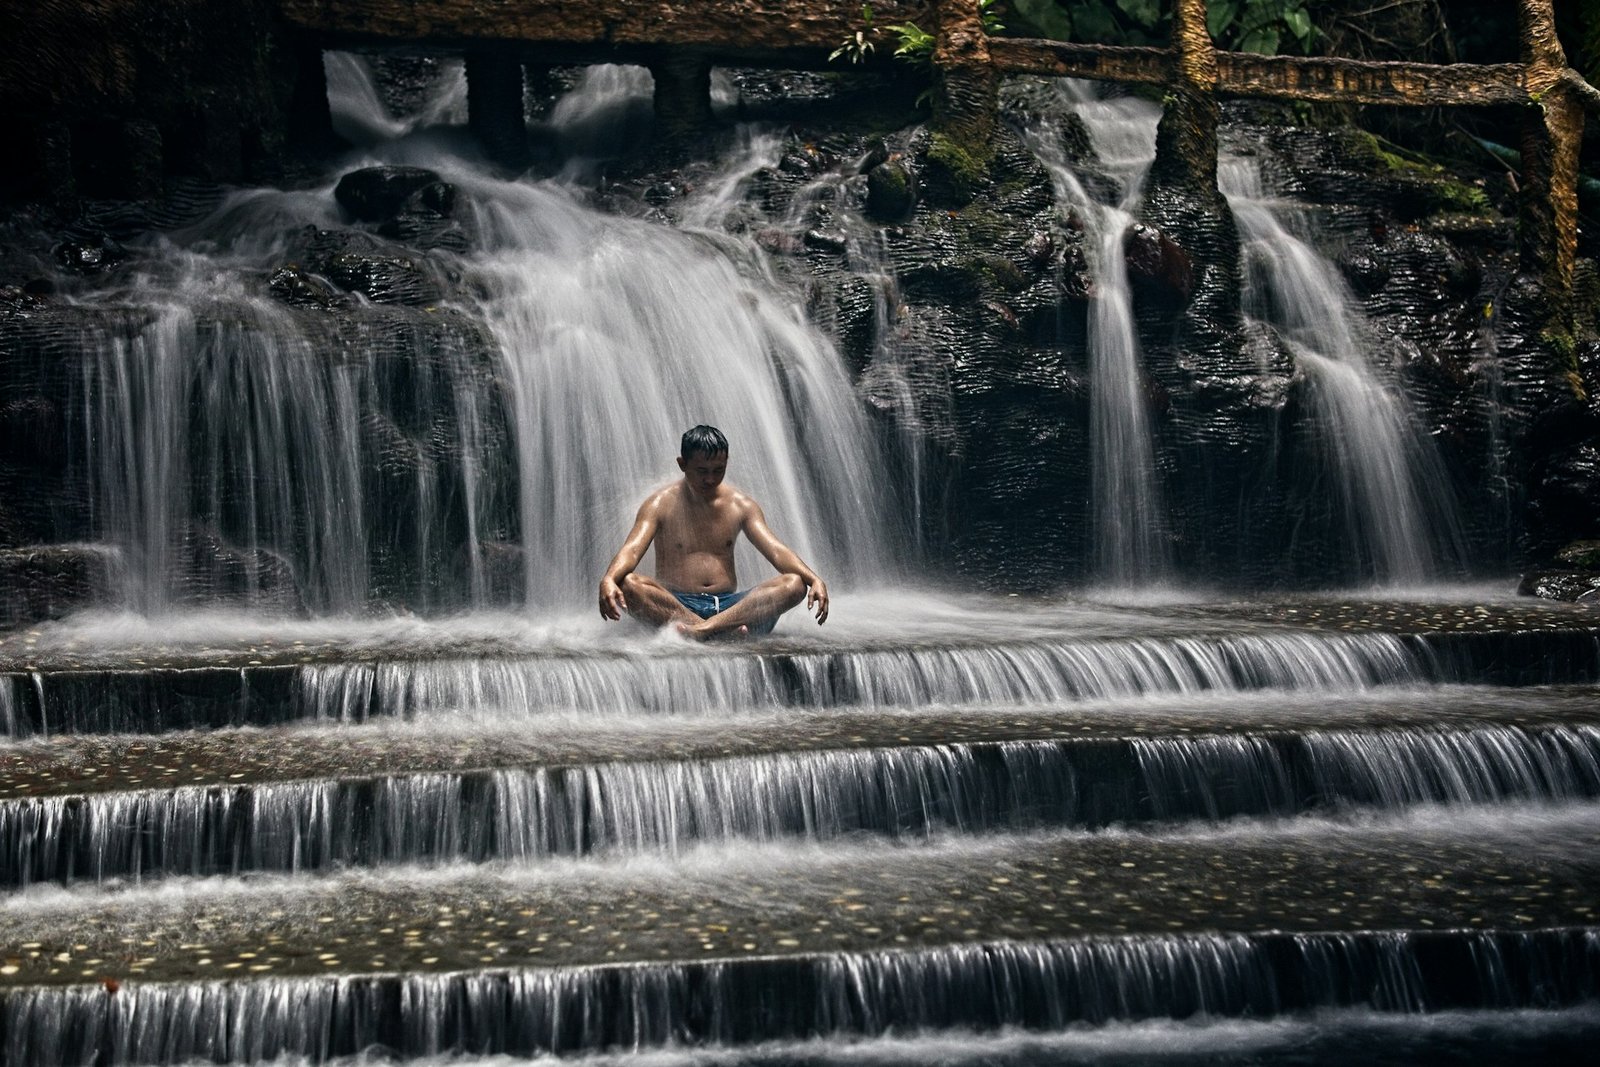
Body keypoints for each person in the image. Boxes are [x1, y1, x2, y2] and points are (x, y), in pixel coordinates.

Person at [598, 425, 829, 639]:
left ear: (727, 462)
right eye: (702, 471)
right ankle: (718, 631)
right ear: (682, 464)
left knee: (794, 584)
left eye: (719, 470)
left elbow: (777, 551)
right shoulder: (659, 505)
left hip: (733, 607)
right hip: (677, 606)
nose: (710, 479)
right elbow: (632, 550)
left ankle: (703, 631)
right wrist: (609, 578)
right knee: (628, 584)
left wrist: (814, 579)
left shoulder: (741, 505)